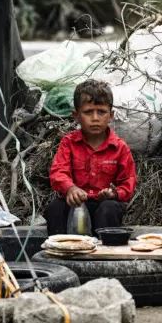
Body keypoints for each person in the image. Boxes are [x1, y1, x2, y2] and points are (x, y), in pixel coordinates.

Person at [46, 79, 136, 235]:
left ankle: (104, 253)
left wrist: (113, 193)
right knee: (55, 208)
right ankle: (60, 250)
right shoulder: (68, 143)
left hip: (104, 206)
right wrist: (70, 189)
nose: (95, 118)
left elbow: (128, 183)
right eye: (88, 112)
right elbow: (58, 172)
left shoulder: (120, 148)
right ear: (76, 116)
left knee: (109, 208)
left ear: (111, 115)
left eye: (101, 112)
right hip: (77, 203)